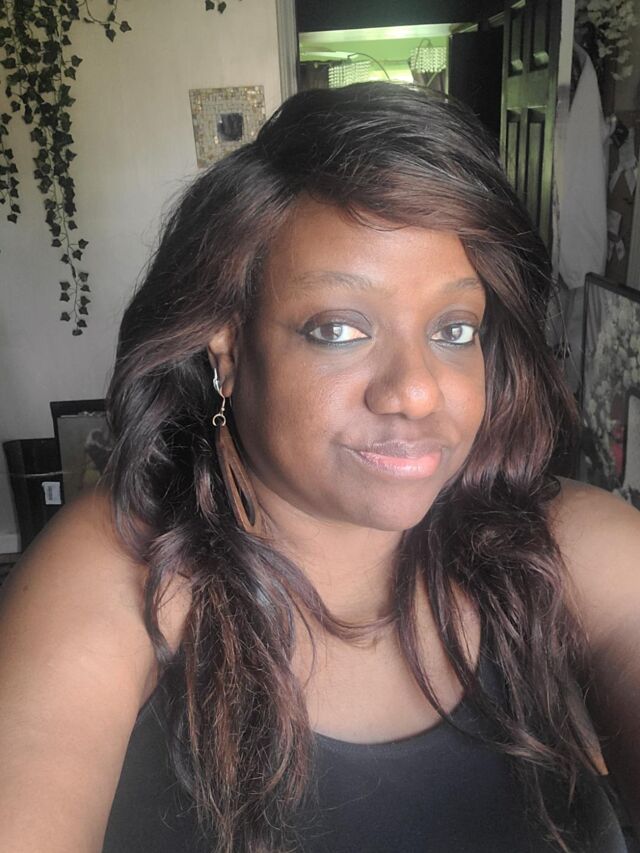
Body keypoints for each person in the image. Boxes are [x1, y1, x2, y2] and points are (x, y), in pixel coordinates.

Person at [0, 82, 639, 853]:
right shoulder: (124, 572)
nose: (415, 391)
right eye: (339, 329)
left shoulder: (568, 547)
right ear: (227, 349)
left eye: (454, 329)